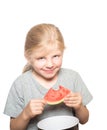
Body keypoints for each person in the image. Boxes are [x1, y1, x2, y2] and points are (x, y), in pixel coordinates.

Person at [4, 23, 93, 130]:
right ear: (28, 57)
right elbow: (13, 128)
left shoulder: (73, 78)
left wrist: (79, 107)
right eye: (41, 58)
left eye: (56, 56)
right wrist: (25, 114)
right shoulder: (20, 84)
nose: (50, 64)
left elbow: (84, 120)